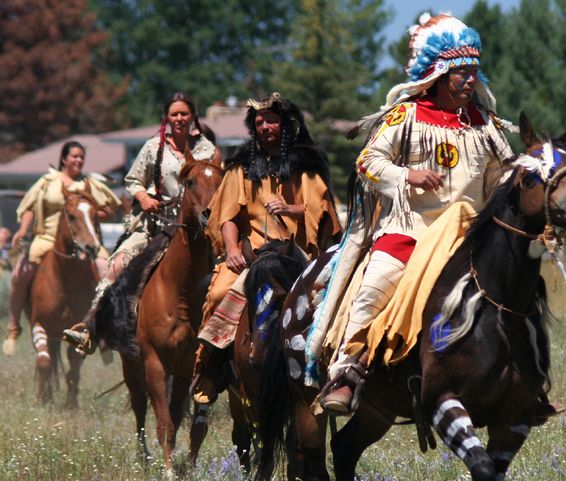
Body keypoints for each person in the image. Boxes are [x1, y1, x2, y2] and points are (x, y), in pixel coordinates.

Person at [316, 13, 536, 414]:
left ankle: (526, 380)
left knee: (520, 288)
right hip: (410, 230)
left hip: (467, 236)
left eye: (473, 72)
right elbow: (367, 162)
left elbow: (503, 177)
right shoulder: (407, 116)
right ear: (437, 74)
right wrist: (407, 174)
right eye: (460, 73)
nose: (470, 81)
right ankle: (347, 369)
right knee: (373, 287)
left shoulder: (484, 125)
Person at [190, 92, 341, 404]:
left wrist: (290, 208)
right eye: (259, 121)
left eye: (271, 120)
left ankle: (338, 367)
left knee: (333, 302)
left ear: (284, 124)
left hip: (297, 256)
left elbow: (322, 211)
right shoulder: (240, 168)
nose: (265, 126)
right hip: (252, 256)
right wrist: (231, 249)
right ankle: (210, 367)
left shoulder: (306, 165)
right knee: (218, 294)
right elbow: (227, 215)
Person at [63, 92, 220, 354]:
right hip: (156, 225)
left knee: (227, 273)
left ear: (193, 116)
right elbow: (133, 180)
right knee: (117, 265)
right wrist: (144, 197)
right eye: (174, 114)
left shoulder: (208, 150)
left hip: (199, 230)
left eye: (184, 113)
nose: (180, 118)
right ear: (166, 118)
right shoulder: (153, 147)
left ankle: (228, 345)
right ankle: (90, 328)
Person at [2, 141, 121, 356]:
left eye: (81, 157)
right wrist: (22, 230)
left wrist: (89, 214)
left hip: (85, 239)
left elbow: (110, 211)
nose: (78, 160)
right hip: (47, 237)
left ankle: (104, 328)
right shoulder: (48, 181)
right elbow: (30, 207)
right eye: (74, 156)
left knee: (107, 270)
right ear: (64, 159)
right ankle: (13, 327)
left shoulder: (89, 184)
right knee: (21, 273)